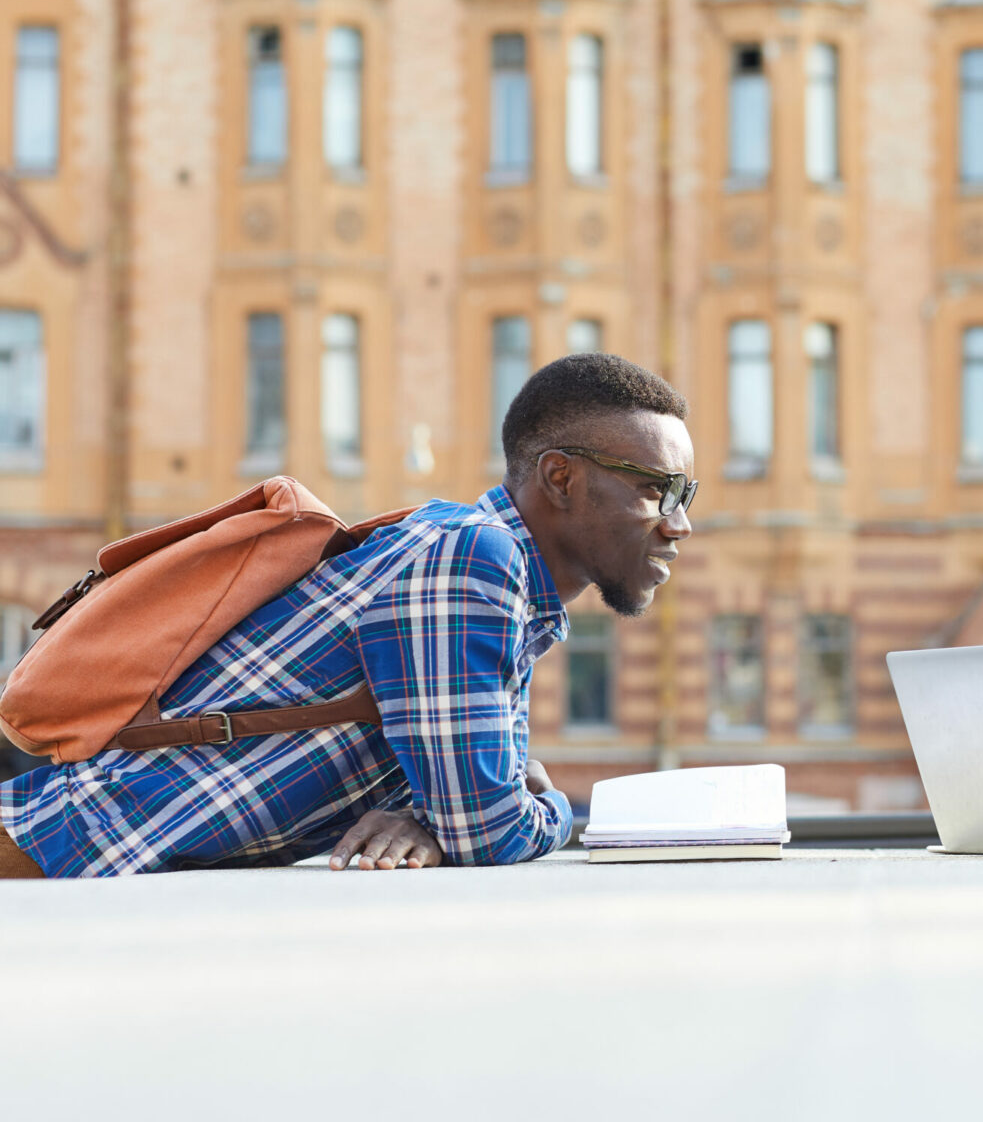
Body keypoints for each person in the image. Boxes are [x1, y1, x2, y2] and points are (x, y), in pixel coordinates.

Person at [0, 353, 694, 879]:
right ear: (561, 478)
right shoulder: (471, 559)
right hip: (55, 849)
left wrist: (427, 819)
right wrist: (553, 811)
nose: (679, 524)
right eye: (654, 491)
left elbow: (462, 811)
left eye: (686, 495)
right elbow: (489, 827)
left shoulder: (491, 580)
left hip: (78, 859)